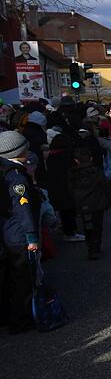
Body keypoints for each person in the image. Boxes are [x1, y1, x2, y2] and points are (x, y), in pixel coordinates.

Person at [0, 131, 40, 333]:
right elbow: (22, 209)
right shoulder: (16, 177)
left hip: (7, 232)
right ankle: (21, 320)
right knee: (22, 279)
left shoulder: (5, 172)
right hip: (18, 234)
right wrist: (32, 237)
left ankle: (9, 316)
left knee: (10, 278)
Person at [68, 124, 111, 260]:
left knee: (87, 225)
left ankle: (90, 245)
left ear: (76, 161)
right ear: (91, 158)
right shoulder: (95, 170)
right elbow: (104, 185)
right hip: (97, 202)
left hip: (82, 203)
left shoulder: (73, 173)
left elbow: (70, 188)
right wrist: (108, 199)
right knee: (98, 225)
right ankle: (96, 246)